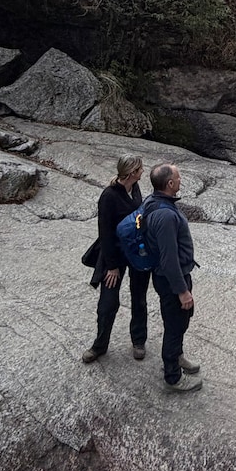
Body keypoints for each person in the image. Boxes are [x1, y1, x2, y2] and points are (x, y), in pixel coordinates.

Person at [139, 162, 203, 393]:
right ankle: (173, 376)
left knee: (179, 320)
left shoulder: (153, 201)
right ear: (169, 184)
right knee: (175, 325)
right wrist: (182, 291)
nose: (180, 180)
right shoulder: (165, 215)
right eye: (178, 177)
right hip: (171, 280)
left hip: (170, 277)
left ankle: (177, 357)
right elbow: (169, 259)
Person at [82, 155, 151, 364]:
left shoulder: (136, 189)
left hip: (136, 252)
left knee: (139, 297)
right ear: (131, 173)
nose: (142, 173)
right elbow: (105, 233)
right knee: (108, 302)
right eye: (140, 170)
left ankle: (138, 340)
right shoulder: (109, 196)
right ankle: (99, 346)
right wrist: (111, 267)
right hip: (114, 255)